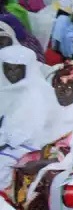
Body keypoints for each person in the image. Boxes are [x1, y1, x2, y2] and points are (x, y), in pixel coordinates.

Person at [8, 61, 73, 210]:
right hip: (56, 152)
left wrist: (45, 162)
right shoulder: (60, 107)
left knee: (46, 177)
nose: (62, 93)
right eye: (57, 88)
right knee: (22, 163)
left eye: (68, 88)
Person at [0, 45, 57, 189]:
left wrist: (4, 140)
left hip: (27, 144)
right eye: (8, 68)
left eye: (17, 68)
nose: (11, 73)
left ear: (27, 68)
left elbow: (29, 132)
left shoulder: (37, 93)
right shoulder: (5, 87)